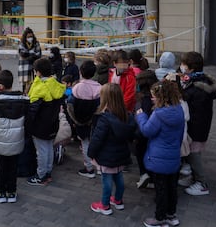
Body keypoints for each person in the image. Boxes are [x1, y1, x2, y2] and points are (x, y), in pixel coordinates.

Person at [136, 80, 185, 227]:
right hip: (173, 156)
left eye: (154, 96)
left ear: (162, 97)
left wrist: (141, 116)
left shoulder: (158, 114)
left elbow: (146, 131)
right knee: (171, 188)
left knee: (161, 190)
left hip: (159, 158)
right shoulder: (179, 110)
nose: (152, 98)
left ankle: (160, 218)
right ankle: (171, 215)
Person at [87, 83, 136, 216]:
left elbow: (97, 139)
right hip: (121, 154)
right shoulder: (127, 115)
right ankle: (118, 200)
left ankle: (104, 205)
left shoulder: (104, 118)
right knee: (119, 177)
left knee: (106, 180)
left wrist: (91, 153)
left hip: (106, 155)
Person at [0, 70, 30, 203]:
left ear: (1, 86)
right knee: (13, 168)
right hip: (17, 141)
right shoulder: (24, 101)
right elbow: (28, 122)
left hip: (0, 143)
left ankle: (1, 192)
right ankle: (12, 192)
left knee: (1, 168)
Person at [178, 51, 216, 196]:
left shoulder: (198, 88)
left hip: (197, 129)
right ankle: (194, 178)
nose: (181, 67)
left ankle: (201, 183)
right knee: (191, 153)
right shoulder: (196, 81)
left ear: (191, 68)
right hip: (197, 127)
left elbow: (196, 111)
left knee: (194, 155)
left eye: (183, 65)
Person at [26, 58, 66, 185]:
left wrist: (27, 124)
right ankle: (48, 171)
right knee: (48, 148)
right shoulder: (55, 84)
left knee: (42, 150)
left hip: (40, 126)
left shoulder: (39, 88)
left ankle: (41, 175)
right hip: (53, 124)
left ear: (38, 72)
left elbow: (32, 110)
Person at [66, 60, 101, 178]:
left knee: (85, 143)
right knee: (97, 142)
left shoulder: (77, 87)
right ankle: (100, 167)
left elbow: (70, 105)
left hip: (80, 120)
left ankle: (89, 168)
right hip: (94, 121)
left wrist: (75, 120)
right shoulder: (99, 87)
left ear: (81, 72)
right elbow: (100, 106)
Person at [134, 70, 158, 189]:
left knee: (141, 152)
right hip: (154, 134)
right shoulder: (157, 97)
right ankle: (152, 177)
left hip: (143, 132)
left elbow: (141, 118)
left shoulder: (142, 100)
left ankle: (144, 174)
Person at [18, 27, 42, 93]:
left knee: (34, 83)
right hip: (24, 67)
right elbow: (22, 54)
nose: (30, 38)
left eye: (31, 36)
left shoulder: (36, 43)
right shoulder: (22, 43)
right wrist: (32, 54)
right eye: (28, 36)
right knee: (25, 84)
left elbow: (38, 54)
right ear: (25, 37)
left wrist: (29, 55)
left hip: (34, 66)